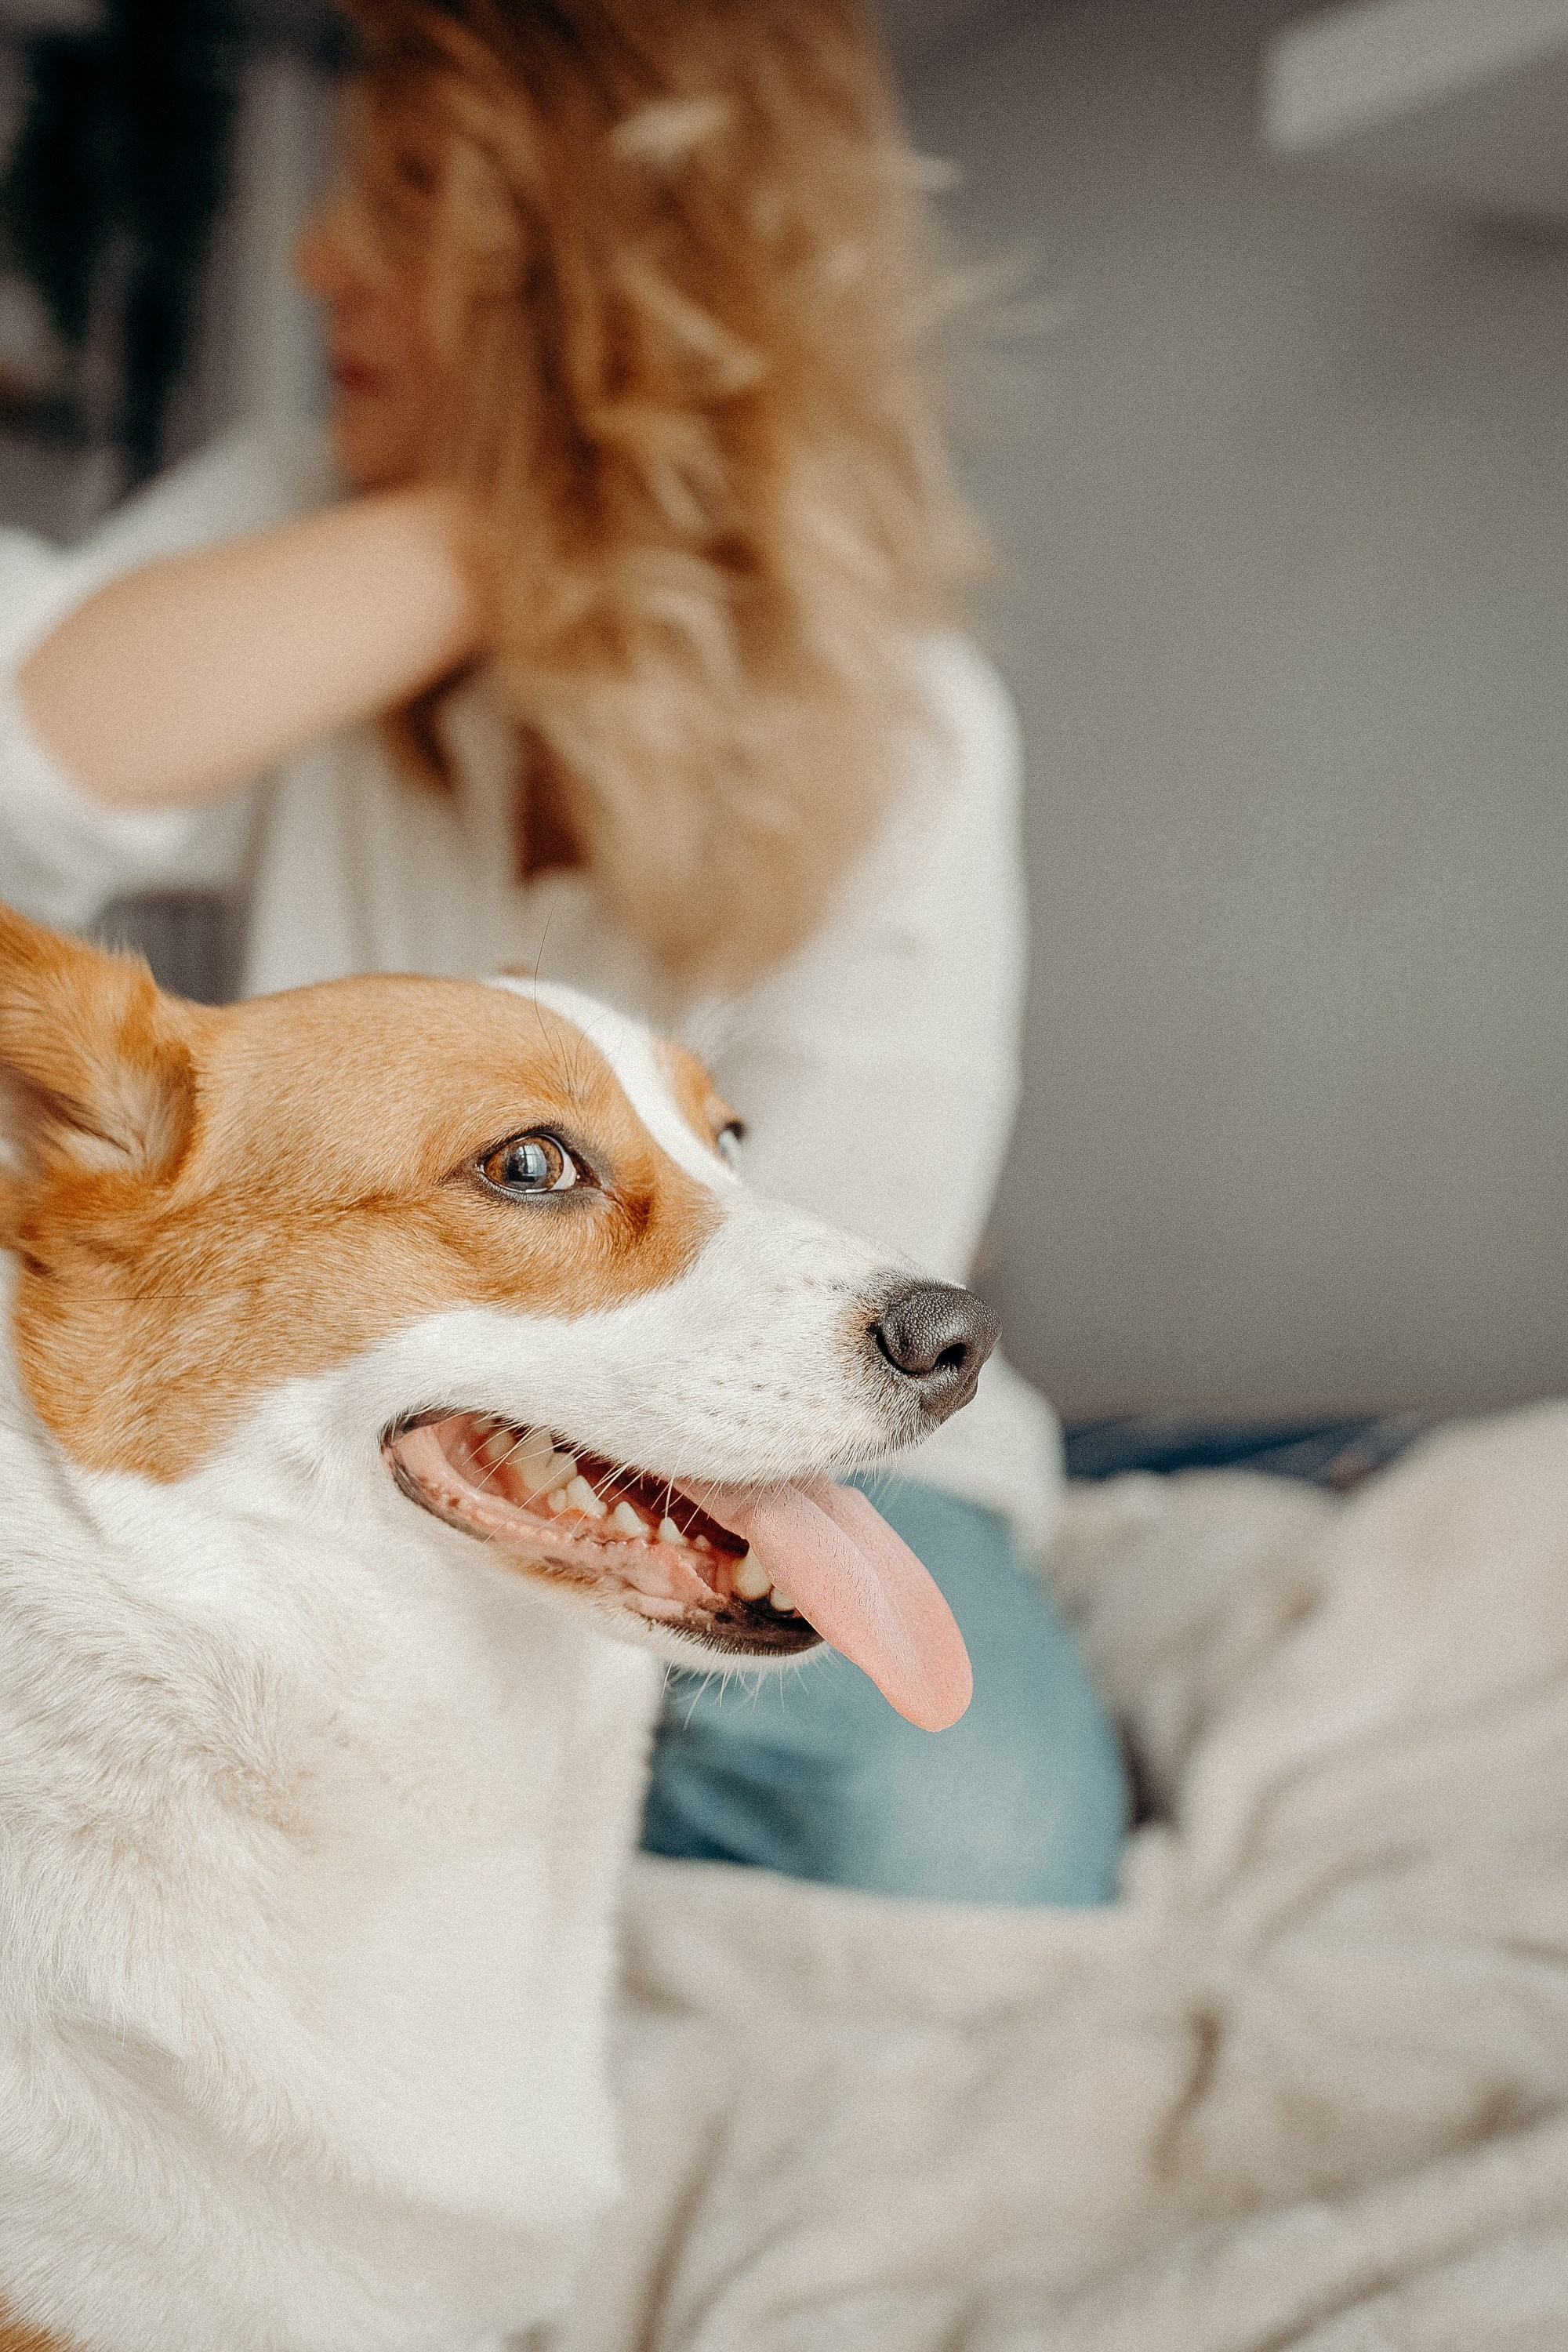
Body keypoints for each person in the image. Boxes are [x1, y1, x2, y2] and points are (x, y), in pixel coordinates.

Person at [0, 0, 1127, 1904]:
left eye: (411, 194)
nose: (319, 256)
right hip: (334, 1423)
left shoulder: (909, 727)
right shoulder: (302, 516)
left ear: (600, 278)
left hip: (795, 1448)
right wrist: (509, 513)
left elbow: (824, 1304)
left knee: (955, 1831)